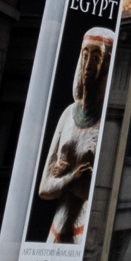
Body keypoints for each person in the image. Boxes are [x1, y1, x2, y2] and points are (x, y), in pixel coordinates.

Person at [37, 28, 114, 243]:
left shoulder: (107, 121)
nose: (88, 64)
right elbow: (44, 188)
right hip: (58, 227)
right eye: (85, 55)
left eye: (96, 57)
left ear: (106, 64)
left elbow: (102, 192)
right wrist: (73, 178)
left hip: (85, 227)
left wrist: (64, 178)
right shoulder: (67, 115)